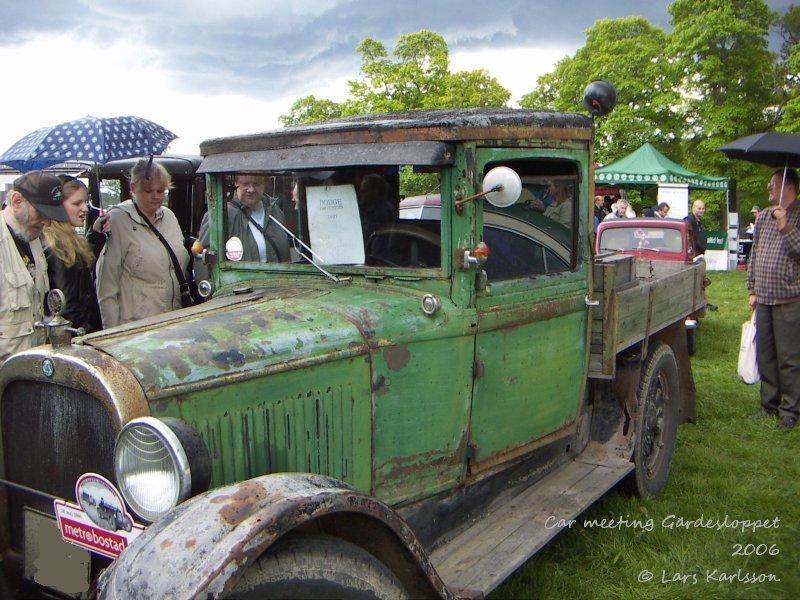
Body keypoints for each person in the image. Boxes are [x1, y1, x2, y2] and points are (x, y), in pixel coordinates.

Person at [96, 159, 191, 328]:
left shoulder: (169, 217)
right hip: (137, 326)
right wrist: (111, 335)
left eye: (161, 191)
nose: (155, 196)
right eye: (149, 191)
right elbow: (106, 288)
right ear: (133, 188)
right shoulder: (118, 221)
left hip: (173, 322)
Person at [747, 168, 800, 429]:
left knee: (789, 357)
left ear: (788, 188)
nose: (769, 188)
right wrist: (752, 289)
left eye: (773, 185)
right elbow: (755, 253)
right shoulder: (765, 216)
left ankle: (790, 409)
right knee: (765, 354)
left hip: (790, 297)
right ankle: (769, 404)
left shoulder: (796, 215)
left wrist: (785, 224)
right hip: (765, 295)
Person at [0, 171, 70, 361]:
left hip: (29, 369)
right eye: (41, 212)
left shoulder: (32, 238)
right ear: (16, 202)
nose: (47, 222)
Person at [42, 176, 110, 333]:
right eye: (77, 203)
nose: (85, 208)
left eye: (86, 202)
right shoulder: (57, 247)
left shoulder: (68, 239)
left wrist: (96, 234)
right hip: (76, 335)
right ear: (58, 206)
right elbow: (67, 304)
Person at [197, 173, 290, 265]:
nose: (251, 189)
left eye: (257, 184)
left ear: (265, 183)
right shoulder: (220, 215)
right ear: (235, 183)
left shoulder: (275, 211)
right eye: (245, 184)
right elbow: (202, 261)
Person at [358, 173, 396, 243]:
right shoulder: (370, 209)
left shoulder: (383, 211)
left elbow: (373, 239)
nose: (360, 195)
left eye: (364, 191)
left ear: (375, 191)